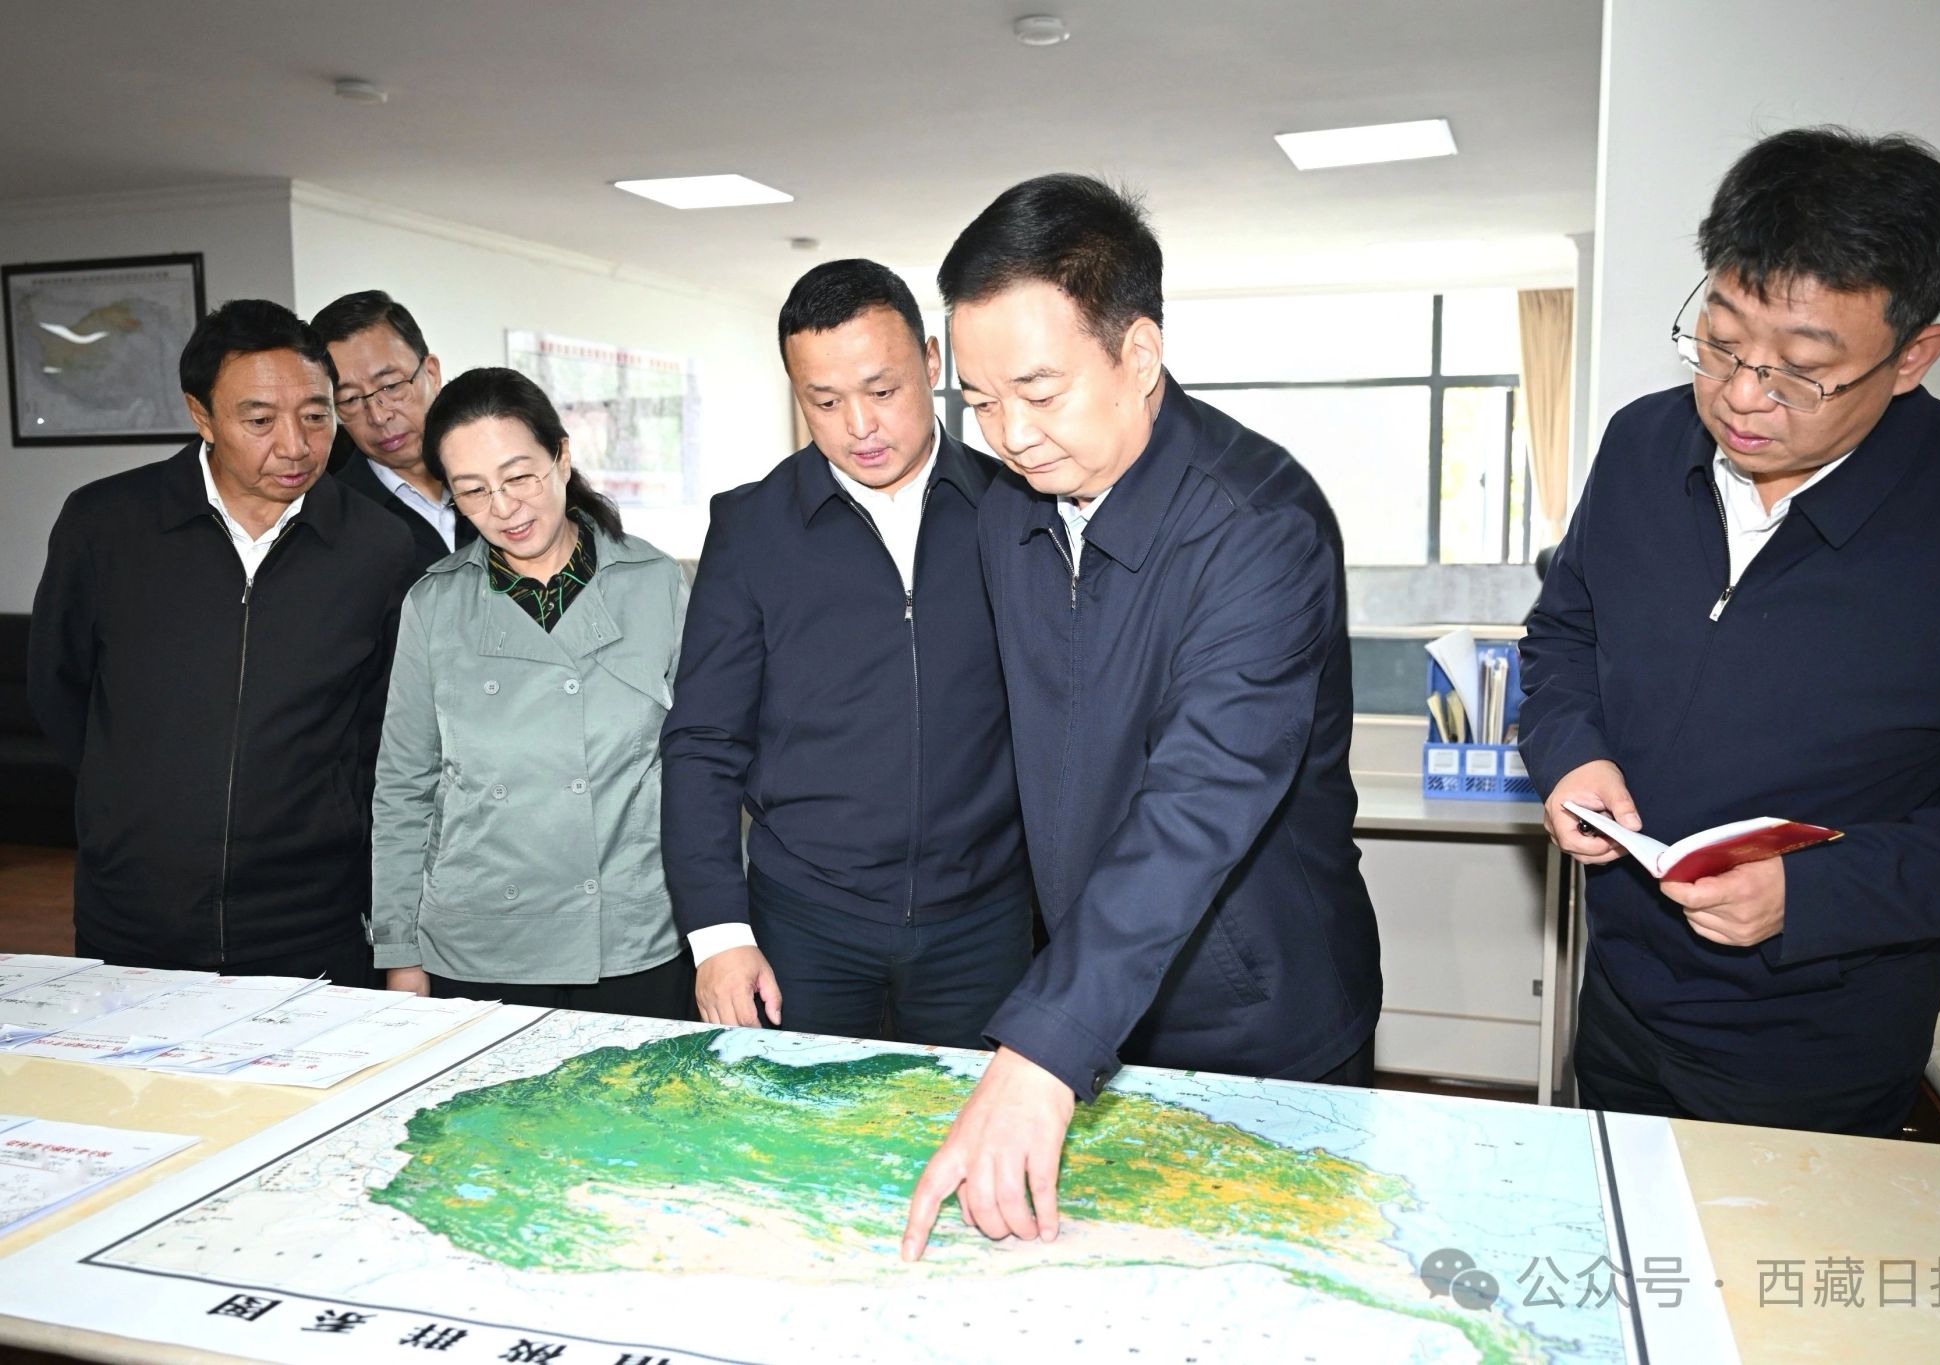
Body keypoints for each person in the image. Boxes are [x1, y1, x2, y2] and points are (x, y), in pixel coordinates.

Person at [1519, 127, 1940, 1137]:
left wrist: (1813, 894)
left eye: (1802, 370)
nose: (1740, 396)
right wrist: (1568, 749)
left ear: (1912, 356)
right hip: (1620, 992)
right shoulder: (1640, 445)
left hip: (1815, 1042)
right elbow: (1562, 634)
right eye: (1720, 342)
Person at [901, 175, 1380, 1260]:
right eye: (979, 401)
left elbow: (1198, 801)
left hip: (1255, 1014)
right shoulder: (1010, 514)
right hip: (1093, 1004)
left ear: (1140, 354)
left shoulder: (1258, 528)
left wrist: (1043, 1043)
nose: (1011, 435)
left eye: (1039, 390)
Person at [661, 259, 1030, 1047]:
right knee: (793, 1119)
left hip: (984, 918)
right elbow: (703, 741)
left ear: (932, 362)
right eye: (823, 401)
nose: (859, 425)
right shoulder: (751, 529)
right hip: (804, 922)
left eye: (883, 390)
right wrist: (718, 934)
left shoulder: (1016, 510)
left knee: (976, 1119)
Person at [28, 299, 415, 985]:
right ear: (201, 415)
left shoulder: (378, 546)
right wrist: (134, 803)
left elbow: (383, 724)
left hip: (311, 917)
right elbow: (60, 690)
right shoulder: (106, 525)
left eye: (317, 415)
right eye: (260, 420)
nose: (295, 446)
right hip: (136, 912)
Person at [369, 367, 691, 1016]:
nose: (504, 508)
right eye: (472, 490)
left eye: (519, 476)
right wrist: (400, 952)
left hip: (632, 934)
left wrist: (720, 929)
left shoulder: (655, 582)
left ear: (562, 457)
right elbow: (404, 787)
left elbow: (704, 764)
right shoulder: (435, 604)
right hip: (481, 941)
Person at [310, 290, 475, 575]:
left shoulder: (500, 480)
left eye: (391, 386)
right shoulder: (331, 521)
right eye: (350, 399)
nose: (378, 416)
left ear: (432, 373)